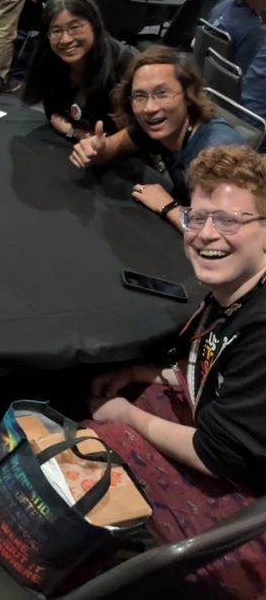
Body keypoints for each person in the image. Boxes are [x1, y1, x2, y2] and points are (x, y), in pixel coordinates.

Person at [84, 143, 266, 599]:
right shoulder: (236, 292)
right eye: (196, 217)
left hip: (250, 507)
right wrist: (147, 373)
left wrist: (125, 416)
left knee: (93, 445)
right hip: (235, 449)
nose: (206, 234)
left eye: (229, 221)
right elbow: (215, 366)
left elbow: (217, 454)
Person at [70, 46, 245, 229]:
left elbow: (227, 234)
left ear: (187, 95)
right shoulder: (161, 127)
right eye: (140, 96)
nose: (150, 108)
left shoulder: (217, 151)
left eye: (162, 94)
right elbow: (113, 147)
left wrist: (168, 207)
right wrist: (96, 149)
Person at [23, 0, 136, 139]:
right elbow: (54, 115)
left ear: (94, 25)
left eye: (75, 27)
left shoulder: (124, 66)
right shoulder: (50, 59)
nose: (65, 39)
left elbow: (134, 134)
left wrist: (73, 132)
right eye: (56, 31)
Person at [209, 0, 266, 75]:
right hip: (227, 85)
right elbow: (249, 77)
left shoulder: (225, 2)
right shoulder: (252, 30)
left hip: (206, 72)